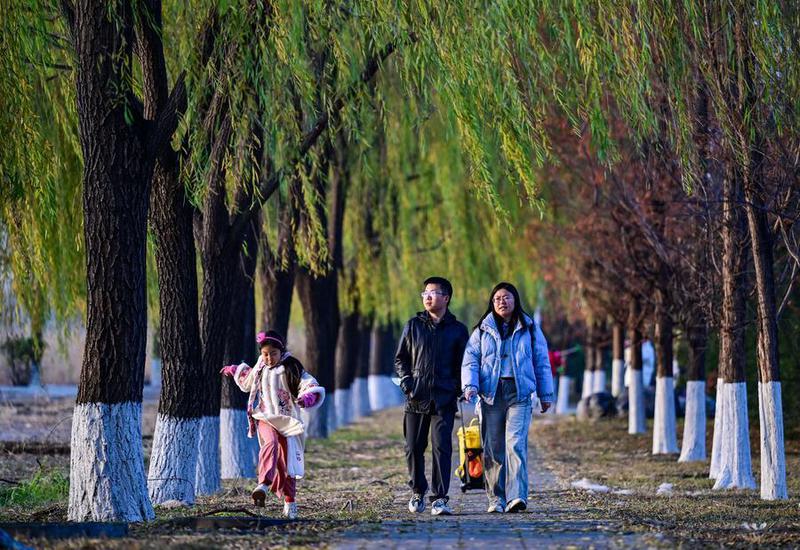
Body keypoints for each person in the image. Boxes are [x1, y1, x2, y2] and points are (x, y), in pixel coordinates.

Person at [462, 282, 554, 514]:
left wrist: (545, 393)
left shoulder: (529, 328)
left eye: (507, 297)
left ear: (515, 300)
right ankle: (496, 498)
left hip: (519, 393)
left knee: (515, 445)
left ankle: (516, 496)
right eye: (497, 299)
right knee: (493, 448)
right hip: (491, 394)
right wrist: (470, 385)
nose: (502, 302)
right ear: (492, 303)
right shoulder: (482, 330)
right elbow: (470, 360)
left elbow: (541, 361)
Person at [220, 330, 325, 519]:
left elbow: (308, 383)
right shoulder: (261, 366)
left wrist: (308, 397)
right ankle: (263, 484)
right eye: (265, 354)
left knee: (288, 462)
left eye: (273, 354)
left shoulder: (292, 366)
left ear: (281, 351)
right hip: (265, 417)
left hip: (288, 422)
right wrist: (234, 370)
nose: (269, 358)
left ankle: (290, 502)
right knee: (270, 443)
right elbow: (248, 380)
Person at [395, 276, 469, 516]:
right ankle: (418, 491)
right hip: (416, 396)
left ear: (446, 298)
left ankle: (439, 498)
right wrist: (407, 382)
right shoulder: (413, 325)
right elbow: (401, 359)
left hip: (444, 398)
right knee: (413, 447)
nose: (427, 297)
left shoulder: (458, 330)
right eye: (425, 293)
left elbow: (464, 364)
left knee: (441, 448)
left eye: (433, 293)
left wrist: (456, 388)